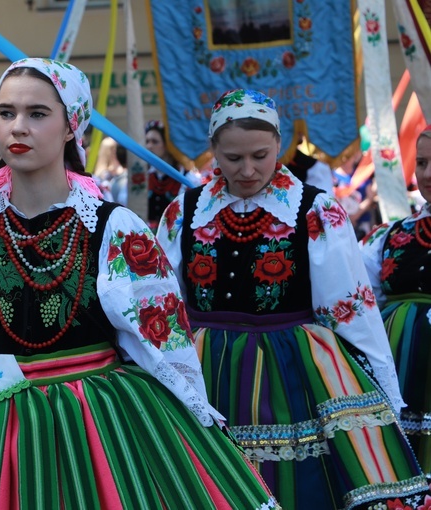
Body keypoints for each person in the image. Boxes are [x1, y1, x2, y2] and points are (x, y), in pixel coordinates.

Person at [0, 58, 277, 510]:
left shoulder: (116, 229)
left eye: (37, 113)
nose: (18, 127)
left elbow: (165, 345)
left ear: (71, 125)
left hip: (95, 421)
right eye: (6, 113)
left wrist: (199, 425)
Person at [156, 89, 430, 509]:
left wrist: (384, 390)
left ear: (280, 145)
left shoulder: (314, 211)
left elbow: (351, 307)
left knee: (297, 484)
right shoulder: (183, 211)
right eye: (232, 158)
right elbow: (161, 302)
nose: (247, 169)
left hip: (289, 367)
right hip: (204, 369)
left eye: (260, 155)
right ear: (212, 151)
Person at [359, 124, 431, 472]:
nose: (427, 173)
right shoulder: (391, 235)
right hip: (400, 362)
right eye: (421, 162)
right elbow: (357, 296)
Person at [145, 120, 200, 229]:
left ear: (168, 145)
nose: (149, 146)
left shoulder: (187, 178)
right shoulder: (144, 176)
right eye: (147, 141)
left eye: (154, 142)